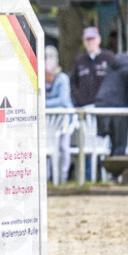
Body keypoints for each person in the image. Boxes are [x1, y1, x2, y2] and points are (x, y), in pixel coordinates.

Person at [94, 44, 128, 156]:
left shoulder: (115, 61)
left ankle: (106, 170)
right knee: (120, 144)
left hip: (102, 104)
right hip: (119, 107)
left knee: (108, 143)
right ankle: (116, 172)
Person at [44, 46, 74, 182]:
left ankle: (63, 177)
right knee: (45, 147)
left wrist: (42, 104)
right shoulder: (39, 79)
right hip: (47, 121)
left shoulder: (62, 79)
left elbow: (63, 100)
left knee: (63, 147)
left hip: (65, 120)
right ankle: (47, 178)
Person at [70, 26, 114, 107]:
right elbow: (73, 82)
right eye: (88, 40)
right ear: (84, 41)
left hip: (105, 106)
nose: (90, 42)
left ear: (99, 39)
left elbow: (115, 79)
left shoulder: (108, 57)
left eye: (93, 39)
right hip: (85, 106)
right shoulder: (79, 60)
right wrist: (80, 100)